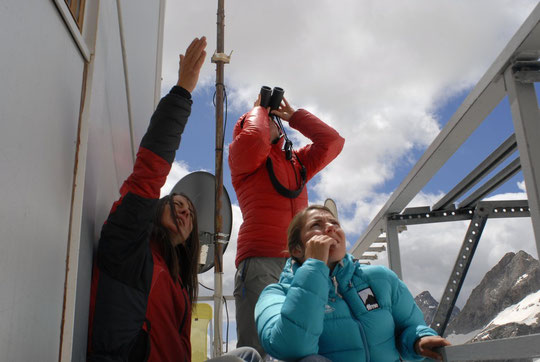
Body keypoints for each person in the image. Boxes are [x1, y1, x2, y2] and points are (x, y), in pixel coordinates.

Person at [87, 37, 260, 362]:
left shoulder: (180, 284)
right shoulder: (128, 246)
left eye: (191, 214)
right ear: (154, 211)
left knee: (247, 355)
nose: (183, 209)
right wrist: (182, 90)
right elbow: (149, 170)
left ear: (190, 238)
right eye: (175, 203)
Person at [255, 205, 451, 361]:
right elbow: (290, 347)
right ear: (297, 250)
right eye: (317, 225)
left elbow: (409, 326)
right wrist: (315, 267)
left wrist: (419, 340)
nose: (330, 227)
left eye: (334, 223)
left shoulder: (380, 278)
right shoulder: (276, 295)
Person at [228, 95, 345, 356]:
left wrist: (294, 117)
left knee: (306, 340)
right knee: (256, 346)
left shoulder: (297, 162)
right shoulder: (242, 156)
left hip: (300, 260)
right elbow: (254, 140)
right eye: (262, 119)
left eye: (272, 119)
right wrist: (259, 108)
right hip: (260, 260)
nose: (269, 122)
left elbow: (333, 142)